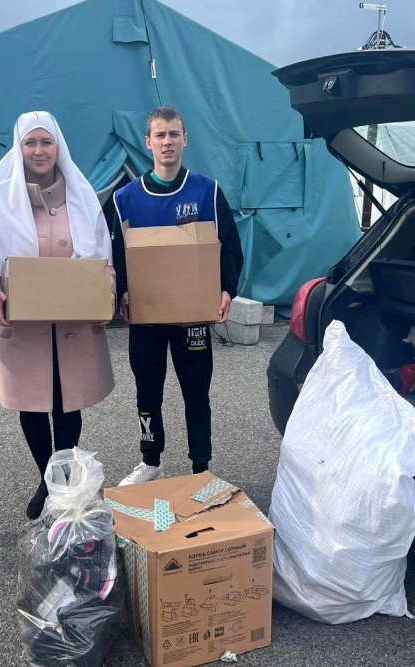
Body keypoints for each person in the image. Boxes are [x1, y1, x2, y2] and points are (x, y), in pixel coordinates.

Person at [0, 111, 115, 519]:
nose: (38, 150)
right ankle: (46, 479)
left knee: (67, 403)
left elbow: (103, 256)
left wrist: (105, 292)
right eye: (30, 142)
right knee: (32, 404)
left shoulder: (81, 194)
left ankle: (61, 480)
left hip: (71, 323)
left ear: (58, 147)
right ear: (18, 148)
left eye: (46, 142)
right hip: (22, 324)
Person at [110, 105, 243, 486]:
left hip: (192, 316)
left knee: (196, 394)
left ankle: (201, 466)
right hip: (147, 317)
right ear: (148, 142)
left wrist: (227, 289)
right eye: (160, 135)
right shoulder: (125, 199)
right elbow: (116, 256)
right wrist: (123, 291)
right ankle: (150, 460)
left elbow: (230, 247)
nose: (167, 142)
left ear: (185, 139)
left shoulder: (207, 191)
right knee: (147, 392)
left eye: (173, 134)